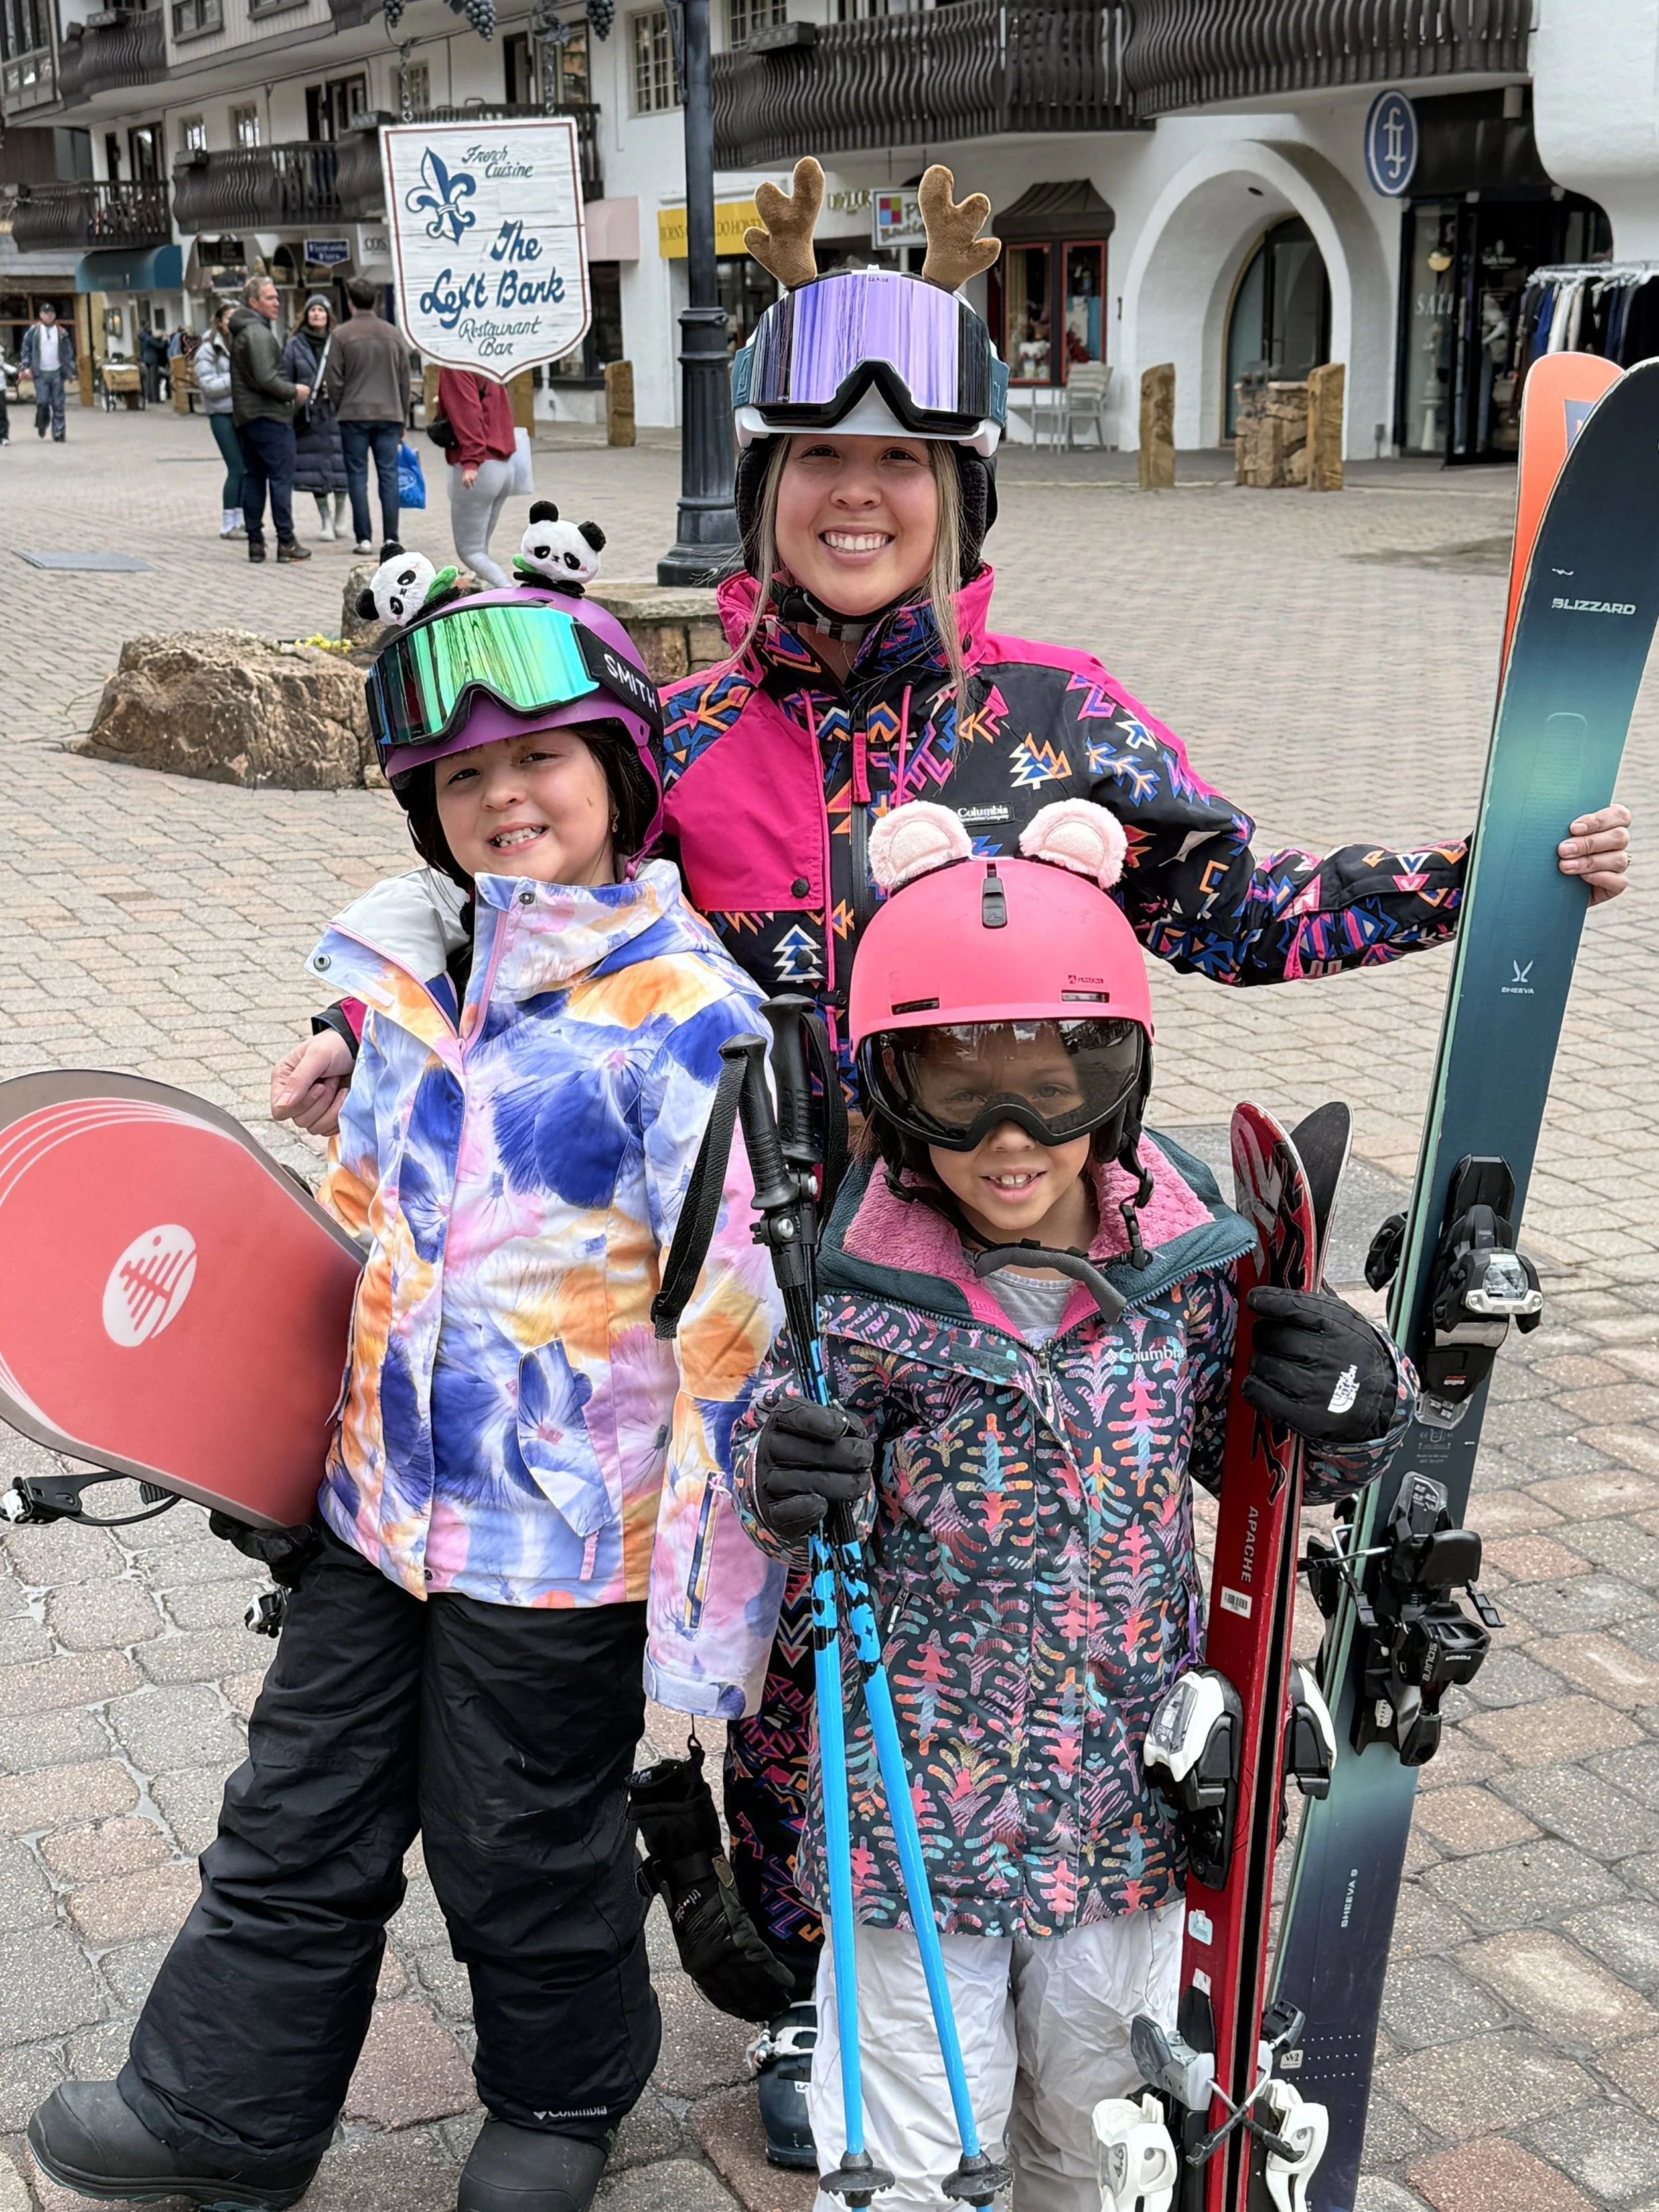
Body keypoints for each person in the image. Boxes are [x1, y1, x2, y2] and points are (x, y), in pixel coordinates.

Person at [267, 155, 1633, 2169]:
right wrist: (367, 1006)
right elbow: (528, 895)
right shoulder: (692, 721)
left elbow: (1231, 906)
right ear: (762, 494)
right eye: (816, 459)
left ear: (957, 502)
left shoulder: (1049, 713)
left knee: (1032, 1608)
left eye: (901, 468)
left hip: (1015, 1251)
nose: (855, 494)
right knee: (802, 1661)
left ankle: (1086, 1971)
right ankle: (835, 1998)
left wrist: (1468, 875)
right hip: (769, 1278)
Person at [26, 579, 786, 2212]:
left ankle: (560, 2101)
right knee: (297, 1805)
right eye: (462, 779)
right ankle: (217, 2110)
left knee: (525, 1838)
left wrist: (709, 1632)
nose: (506, 797)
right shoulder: (408, 985)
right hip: (374, 1514)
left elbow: (735, 1337)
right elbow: (362, 1238)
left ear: (621, 769)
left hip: (560, 1544)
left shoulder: (687, 1020)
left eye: (543, 761)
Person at [729, 794, 1414, 2211]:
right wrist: (777, 1469)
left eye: (1056, 1080)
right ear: (891, 1092)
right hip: (909, 1798)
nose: (1006, 1135)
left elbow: (1267, 1479)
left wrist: (1350, 1398)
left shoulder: (1184, 1271)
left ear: (1119, 1079)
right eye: (953, 1086)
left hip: (1126, 1803)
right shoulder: (852, 1284)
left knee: (1095, 2126)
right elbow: (767, 1445)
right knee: (911, 2133)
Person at [229, 274, 312, 565]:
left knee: (254, 478)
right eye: (270, 298)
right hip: (270, 416)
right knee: (279, 479)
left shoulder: (244, 331)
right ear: (254, 302)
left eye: (276, 297)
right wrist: (294, 391)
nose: (277, 302)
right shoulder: (258, 334)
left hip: (248, 417)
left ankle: (255, 542)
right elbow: (266, 377)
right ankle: (286, 542)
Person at [326, 275, 411, 555]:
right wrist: (403, 415)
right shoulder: (393, 334)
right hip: (389, 413)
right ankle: (391, 538)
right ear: (375, 301)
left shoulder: (340, 335)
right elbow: (404, 379)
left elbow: (334, 380)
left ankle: (363, 538)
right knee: (388, 474)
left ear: (350, 303)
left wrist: (341, 408)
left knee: (357, 476)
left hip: (353, 414)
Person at [439, 366, 518, 587]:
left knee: (470, 552)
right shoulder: (488, 361)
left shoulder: (456, 363)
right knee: (480, 550)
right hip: (504, 465)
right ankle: (490, 599)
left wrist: (471, 460)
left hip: (480, 467)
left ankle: (509, 596)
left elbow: (467, 411)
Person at [282, 293, 348, 540]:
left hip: (337, 412)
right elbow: (287, 377)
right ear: (306, 315)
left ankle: (341, 512)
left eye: (322, 310)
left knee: (342, 468)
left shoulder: (339, 340)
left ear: (328, 315)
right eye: (313, 310)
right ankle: (325, 519)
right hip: (309, 414)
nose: (317, 314)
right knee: (314, 471)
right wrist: (297, 394)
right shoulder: (295, 344)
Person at [192, 302, 243, 538]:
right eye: (229, 318)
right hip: (221, 413)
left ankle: (241, 519)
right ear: (220, 321)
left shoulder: (242, 344)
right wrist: (237, 380)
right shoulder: (209, 348)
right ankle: (227, 523)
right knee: (236, 467)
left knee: (247, 469)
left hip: (242, 412)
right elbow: (209, 385)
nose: (233, 323)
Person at [21, 303, 74, 443]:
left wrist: (70, 371)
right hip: (40, 372)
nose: (49, 316)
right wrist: (26, 366)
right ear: (41, 315)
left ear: (54, 315)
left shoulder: (61, 332)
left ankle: (59, 432)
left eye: (51, 313)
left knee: (58, 403)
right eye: (46, 313)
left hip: (57, 371)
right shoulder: (34, 331)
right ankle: (42, 424)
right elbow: (26, 348)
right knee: (43, 403)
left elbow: (68, 353)